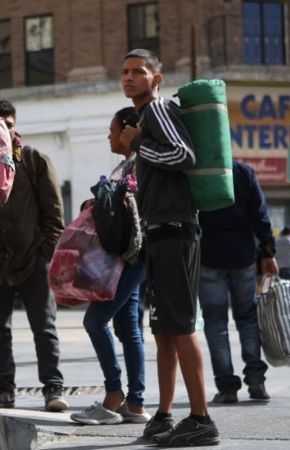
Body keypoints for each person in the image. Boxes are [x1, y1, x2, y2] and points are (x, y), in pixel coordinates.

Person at [117, 49, 219, 447]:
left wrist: (138, 144)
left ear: (156, 79)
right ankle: (163, 415)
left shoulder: (158, 111)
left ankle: (202, 419)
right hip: (160, 233)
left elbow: (183, 155)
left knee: (181, 327)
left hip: (176, 231)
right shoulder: (145, 117)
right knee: (163, 331)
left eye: (138, 72)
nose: (129, 78)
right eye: (125, 72)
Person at [0, 99, 69, 412]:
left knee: (44, 328)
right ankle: (4, 390)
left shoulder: (34, 160)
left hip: (33, 261)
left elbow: (54, 214)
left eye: (8, 125)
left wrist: (45, 255)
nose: (2, 131)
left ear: (15, 126)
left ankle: (53, 388)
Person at [70, 107, 149, 426]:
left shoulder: (138, 164)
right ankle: (136, 403)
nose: (109, 136)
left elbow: (130, 211)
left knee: (95, 320)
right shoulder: (126, 165)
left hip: (132, 256)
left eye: (113, 130)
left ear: (128, 131)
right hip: (126, 257)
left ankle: (114, 394)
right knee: (128, 329)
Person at [197, 160, 276, 405]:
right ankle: (256, 381)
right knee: (248, 319)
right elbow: (260, 214)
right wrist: (268, 251)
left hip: (209, 257)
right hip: (243, 257)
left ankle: (227, 387)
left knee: (216, 324)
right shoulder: (243, 172)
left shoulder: (199, 171)